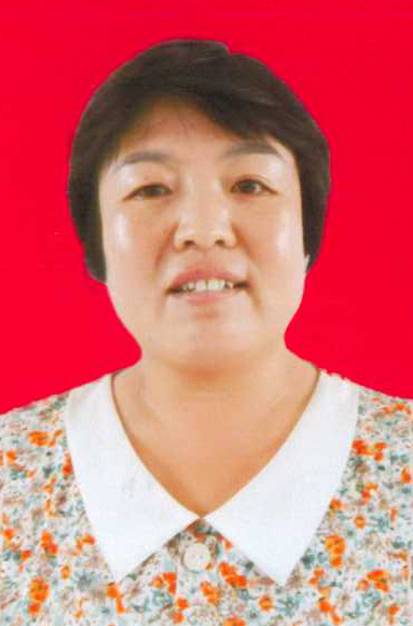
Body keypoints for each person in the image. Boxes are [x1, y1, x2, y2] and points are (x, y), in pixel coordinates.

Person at [1, 38, 412, 626]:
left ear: (306, 231)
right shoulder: (11, 474)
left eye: (249, 185)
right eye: (150, 189)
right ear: (96, 242)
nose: (203, 228)